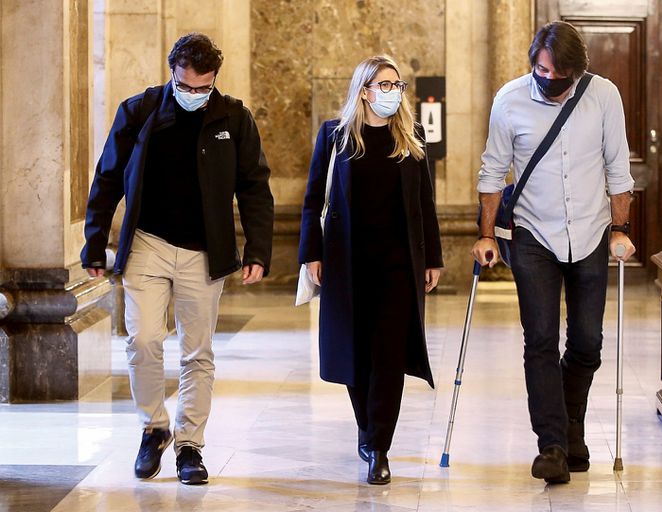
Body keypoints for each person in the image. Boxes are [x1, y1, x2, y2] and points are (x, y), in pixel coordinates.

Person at [81, 33, 274, 485]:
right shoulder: (140, 111)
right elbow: (107, 178)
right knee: (143, 340)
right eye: (185, 86)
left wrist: (259, 250)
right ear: (173, 74)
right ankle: (154, 428)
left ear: (214, 81)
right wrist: (94, 242)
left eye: (202, 88)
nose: (193, 95)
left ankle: (190, 446)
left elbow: (254, 187)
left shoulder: (235, 118)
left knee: (197, 353)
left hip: (204, 253)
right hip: (148, 243)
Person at [473, 21, 635, 484]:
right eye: (544, 72)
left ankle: (571, 423)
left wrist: (620, 228)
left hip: (588, 232)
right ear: (533, 64)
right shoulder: (509, 100)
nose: (552, 83)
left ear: (578, 72)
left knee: (587, 344)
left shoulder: (603, 95)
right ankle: (553, 445)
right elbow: (492, 173)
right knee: (540, 341)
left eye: (562, 76)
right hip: (533, 236)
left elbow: (617, 167)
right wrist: (486, 234)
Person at [298, 55, 443, 485]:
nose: (392, 92)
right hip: (346, 262)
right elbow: (311, 201)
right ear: (364, 91)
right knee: (354, 354)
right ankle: (366, 427)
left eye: (397, 85)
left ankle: (379, 445)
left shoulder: (411, 137)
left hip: (398, 265)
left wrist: (432, 257)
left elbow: (425, 205)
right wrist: (312, 253)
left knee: (389, 356)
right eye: (384, 84)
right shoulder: (335, 136)